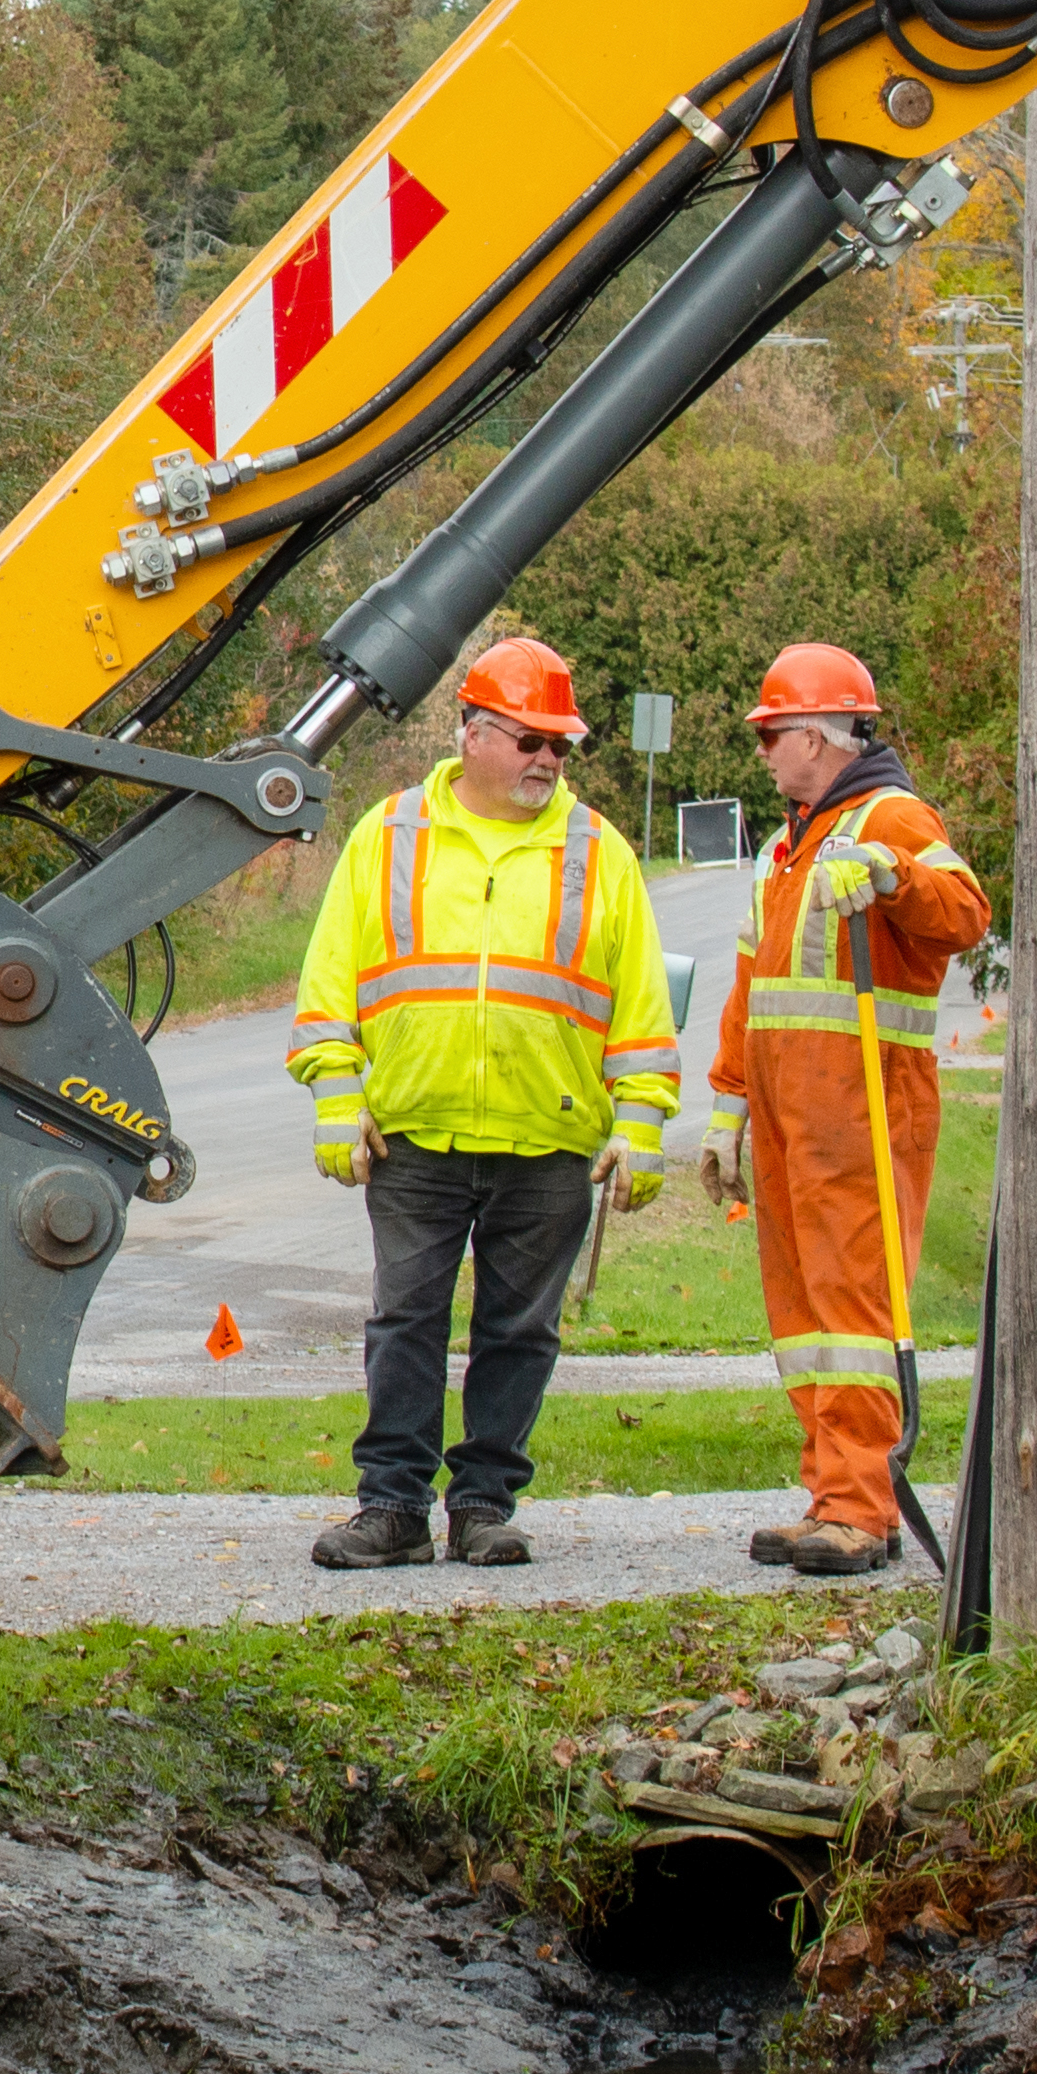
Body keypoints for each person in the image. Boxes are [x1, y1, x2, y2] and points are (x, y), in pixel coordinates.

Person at [284, 635, 670, 1571]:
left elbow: (642, 1005)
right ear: (470, 733)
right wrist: (339, 1098)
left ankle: (486, 1504)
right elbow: (329, 986)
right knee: (405, 1321)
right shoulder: (390, 835)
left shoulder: (599, 851)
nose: (546, 760)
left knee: (519, 1329)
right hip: (415, 1136)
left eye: (560, 746)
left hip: (546, 1142)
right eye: (529, 740)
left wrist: (642, 1123)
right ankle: (393, 1508)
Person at [698, 642, 994, 1579]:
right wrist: (727, 1107)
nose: (765, 752)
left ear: (819, 736)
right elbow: (753, 981)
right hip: (795, 1113)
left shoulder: (891, 817)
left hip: (865, 1102)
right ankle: (832, 1493)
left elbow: (967, 913)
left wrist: (895, 876)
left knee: (856, 1307)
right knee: (807, 1314)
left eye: (772, 734)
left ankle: (863, 1508)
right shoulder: (787, 845)